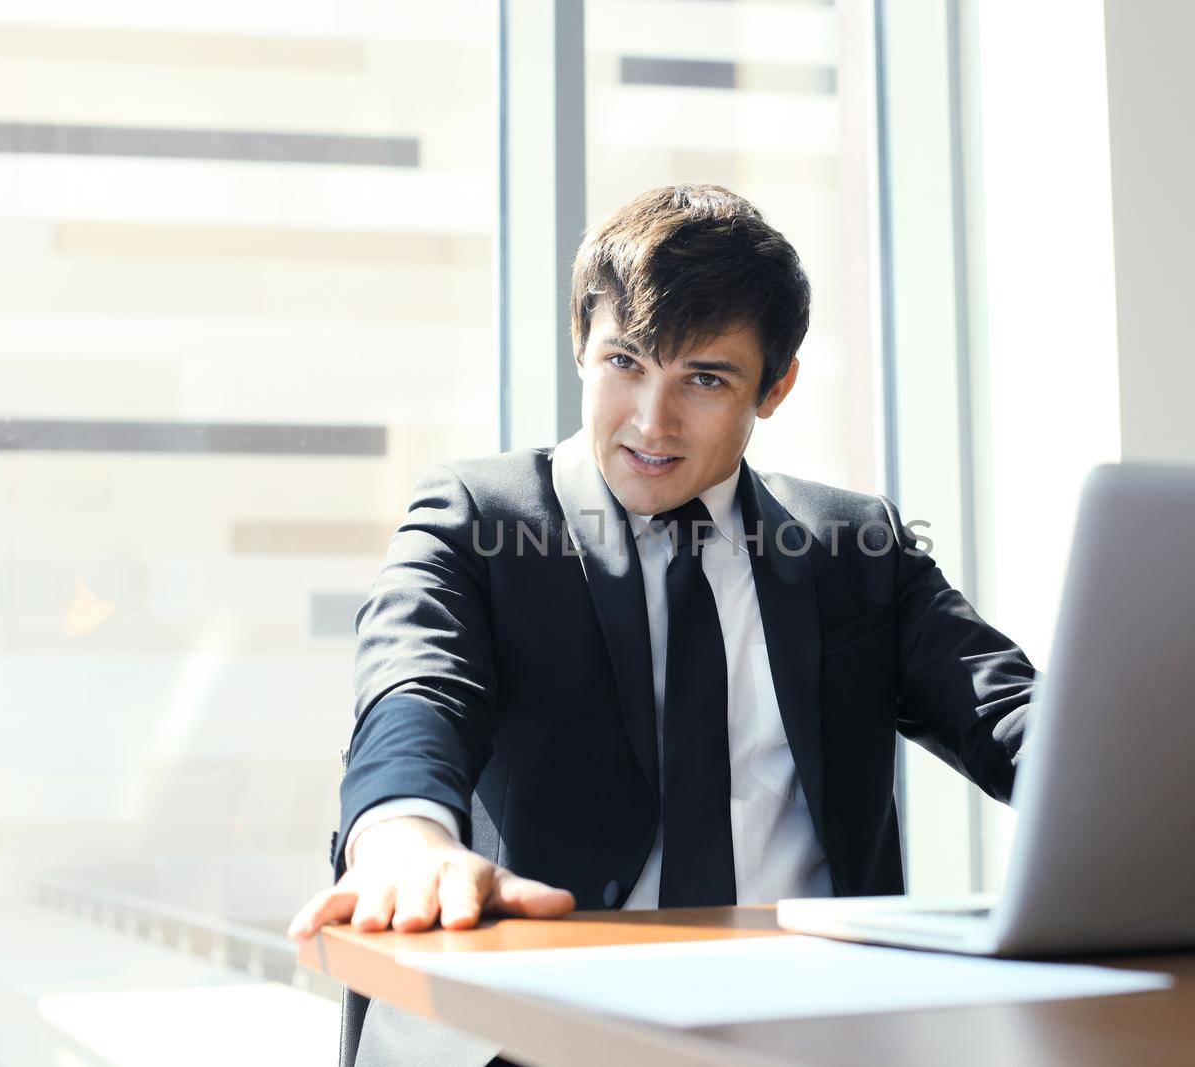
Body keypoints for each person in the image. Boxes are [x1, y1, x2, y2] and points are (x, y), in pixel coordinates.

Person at [288, 184, 1037, 1067]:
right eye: (626, 363)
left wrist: (1180, 794)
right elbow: (414, 689)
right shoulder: (476, 517)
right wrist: (402, 832)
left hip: (812, 1031)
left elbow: (1015, 718)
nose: (652, 421)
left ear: (777, 386)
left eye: (706, 379)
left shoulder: (856, 546)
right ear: (582, 346)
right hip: (539, 1032)